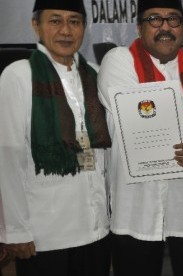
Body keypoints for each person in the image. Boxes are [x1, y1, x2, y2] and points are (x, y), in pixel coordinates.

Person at [97, 0, 183, 275]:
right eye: (155, 19)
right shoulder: (119, 61)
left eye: (173, 19)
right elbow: (139, 111)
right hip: (135, 209)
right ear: (139, 27)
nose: (165, 27)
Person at [0, 0, 112, 275]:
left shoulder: (95, 74)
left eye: (74, 21)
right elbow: (8, 155)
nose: (65, 30)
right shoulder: (18, 76)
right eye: (55, 20)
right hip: (45, 234)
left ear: (84, 28)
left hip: (96, 227)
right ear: (35, 25)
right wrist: (15, 230)